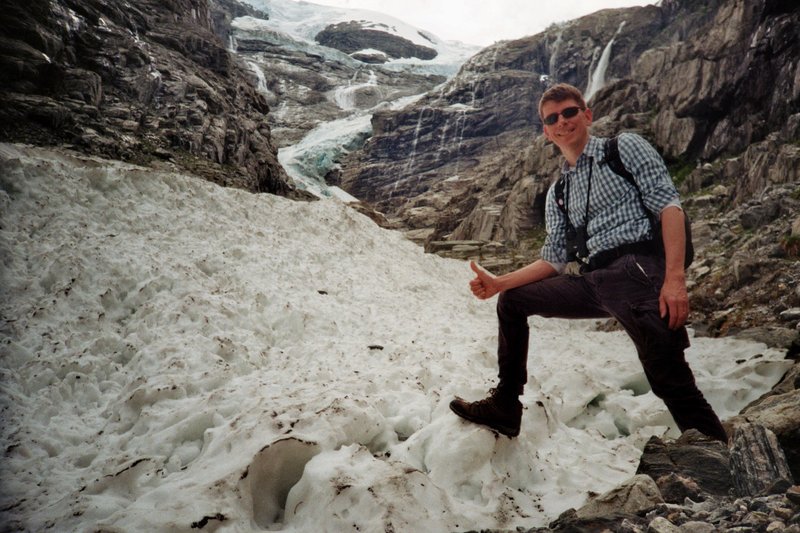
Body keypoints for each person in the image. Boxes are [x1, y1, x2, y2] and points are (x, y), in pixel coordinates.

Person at [449, 83, 727, 442]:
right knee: (513, 301)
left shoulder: (623, 148)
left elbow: (668, 206)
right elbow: (554, 259)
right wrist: (499, 283)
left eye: (569, 112)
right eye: (553, 118)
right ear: (547, 132)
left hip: (636, 271)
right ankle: (505, 405)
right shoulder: (559, 192)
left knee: (671, 382)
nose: (562, 121)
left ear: (587, 115)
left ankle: (722, 460)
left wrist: (674, 278)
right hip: (593, 281)